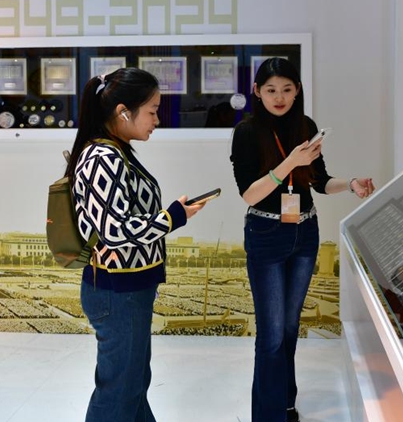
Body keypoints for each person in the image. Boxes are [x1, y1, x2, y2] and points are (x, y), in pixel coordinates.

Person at [230, 57, 375, 422]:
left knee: (290, 328)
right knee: (272, 333)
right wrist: (288, 164)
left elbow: (319, 181)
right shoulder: (247, 131)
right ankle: (267, 415)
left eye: (287, 89)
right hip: (265, 233)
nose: (279, 97)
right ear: (257, 93)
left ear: (298, 91)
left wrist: (350, 183)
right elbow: (249, 193)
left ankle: (285, 404)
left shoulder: (305, 126)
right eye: (271, 90)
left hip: (305, 233)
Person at [65, 68, 205, 422]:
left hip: (129, 287)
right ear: (124, 112)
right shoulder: (104, 157)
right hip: (117, 290)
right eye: (153, 110)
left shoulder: (116, 152)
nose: (158, 119)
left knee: (133, 383)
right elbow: (115, 229)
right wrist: (172, 217)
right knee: (120, 390)